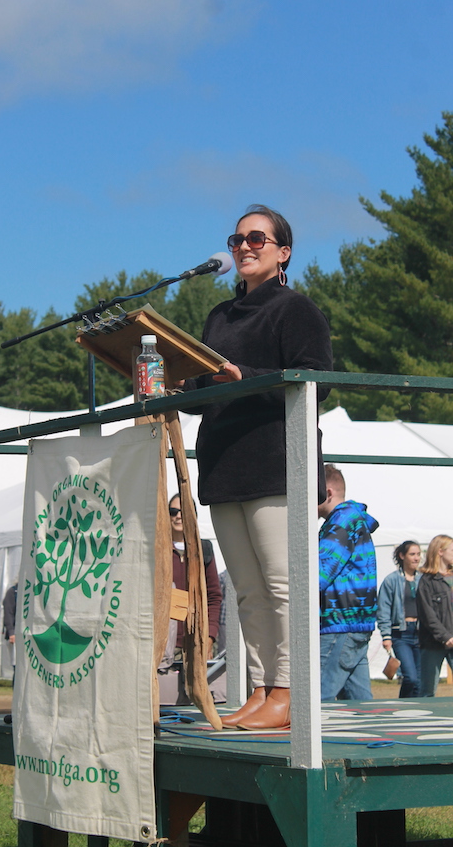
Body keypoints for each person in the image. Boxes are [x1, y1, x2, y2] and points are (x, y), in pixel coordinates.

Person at [182, 204, 333, 729]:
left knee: (281, 584)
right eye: (238, 238)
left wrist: (242, 375)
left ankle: (289, 693)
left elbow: (318, 383)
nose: (245, 246)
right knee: (247, 589)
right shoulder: (218, 318)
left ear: (282, 252)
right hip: (224, 467)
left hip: (276, 464)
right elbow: (202, 397)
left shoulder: (295, 311)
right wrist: (176, 384)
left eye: (257, 239)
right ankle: (261, 690)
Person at [318, 464, 378, 700]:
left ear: (329, 492)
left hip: (338, 624)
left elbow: (319, 573)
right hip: (356, 624)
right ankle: (371, 736)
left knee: (317, 699)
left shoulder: (341, 522)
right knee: (360, 702)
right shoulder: (352, 520)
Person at [168, 494, 222, 658]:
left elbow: (214, 596)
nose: (178, 516)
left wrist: (210, 636)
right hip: (164, 646)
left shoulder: (203, 550)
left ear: (194, 516)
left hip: (196, 643)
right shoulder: (157, 550)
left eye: (183, 511)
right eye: (173, 511)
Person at [377, 540, 422, 697]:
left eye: (418, 554)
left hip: (421, 633)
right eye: (412, 554)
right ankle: (404, 706)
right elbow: (383, 608)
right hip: (401, 633)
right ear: (402, 556)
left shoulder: (422, 579)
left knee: (420, 681)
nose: (416, 558)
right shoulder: (392, 580)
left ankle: (417, 714)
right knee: (410, 677)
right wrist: (386, 635)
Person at [417, 534, 453, 697]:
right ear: (440, 551)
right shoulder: (427, 581)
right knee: (427, 691)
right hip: (433, 643)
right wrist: (445, 636)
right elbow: (427, 614)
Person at [3, 581, 18, 684]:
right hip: (15, 635)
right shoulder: (12, 592)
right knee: (17, 666)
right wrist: (11, 632)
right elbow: (8, 613)